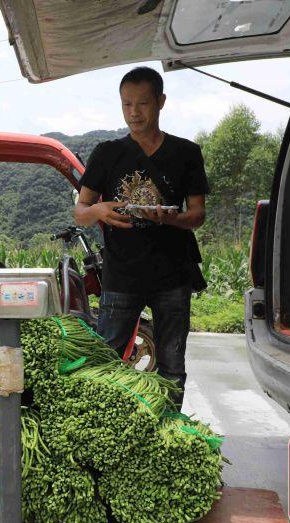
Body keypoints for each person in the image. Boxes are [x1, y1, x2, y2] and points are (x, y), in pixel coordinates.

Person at [74, 66, 209, 410]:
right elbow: (81, 210)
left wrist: (171, 217)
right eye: (127, 104)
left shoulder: (186, 153)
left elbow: (198, 214)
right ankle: (106, 428)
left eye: (143, 104)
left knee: (172, 367)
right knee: (104, 361)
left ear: (161, 102)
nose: (134, 112)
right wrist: (100, 210)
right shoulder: (106, 153)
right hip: (122, 274)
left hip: (173, 275)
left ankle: (168, 433)